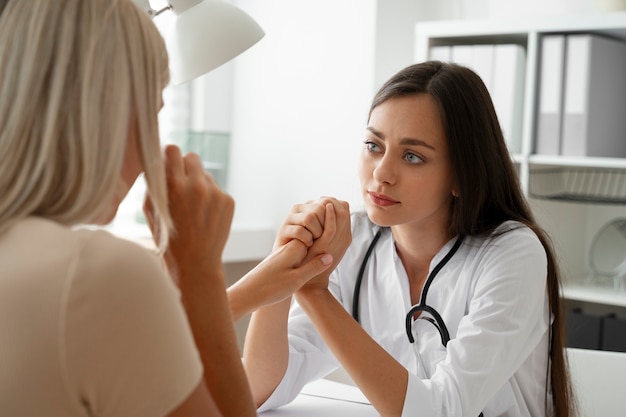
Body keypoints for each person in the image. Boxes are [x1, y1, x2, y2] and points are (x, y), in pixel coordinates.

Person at [0, 0, 336, 416]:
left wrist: (240, 291)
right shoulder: (96, 272)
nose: (151, 151)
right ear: (105, 108)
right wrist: (199, 274)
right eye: (153, 111)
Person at [241, 61, 575, 417]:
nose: (381, 173)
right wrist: (287, 265)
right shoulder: (352, 245)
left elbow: (442, 410)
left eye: (412, 156)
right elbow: (257, 391)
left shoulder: (513, 254)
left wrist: (314, 292)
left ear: (462, 175)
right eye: (373, 145)